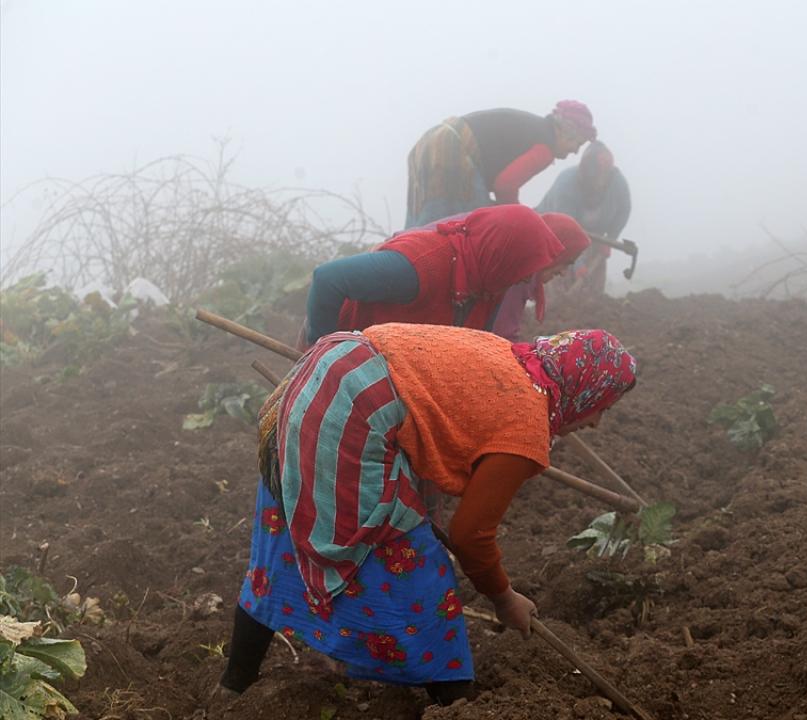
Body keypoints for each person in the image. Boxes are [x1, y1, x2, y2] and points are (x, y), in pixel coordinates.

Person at [218, 324, 637, 704]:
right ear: (586, 389)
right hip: (350, 414)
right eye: (604, 406)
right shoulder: (525, 427)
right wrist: (504, 598)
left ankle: (233, 684)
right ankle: (456, 704)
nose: (597, 422)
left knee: (286, 535)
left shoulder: (510, 355)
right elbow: (470, 535)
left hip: (327, 369)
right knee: (416, 569)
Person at [301, 206, 587, 347]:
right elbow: (329, 279)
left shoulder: (488, 286)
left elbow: (479, 346)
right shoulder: (420, 267)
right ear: (502, 256)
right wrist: (321, 356)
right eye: (522, 272)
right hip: (348, 360)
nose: (526, 282)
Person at [405, 101, 597, 229]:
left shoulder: (536, 129)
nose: (575, 152)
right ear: (566, 132)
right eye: (577, 144)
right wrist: (520, 218)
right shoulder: (545, 148)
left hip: (434, 141)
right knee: (468, 229)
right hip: (453, 151)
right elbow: (505, 185)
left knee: (423, 226)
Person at [536, 141, 631, 296]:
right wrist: (578, 264)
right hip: (554, 233)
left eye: (606, 175)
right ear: (588, 173)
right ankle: (551, 310)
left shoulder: (617, 181)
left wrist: (611, 239)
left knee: (591, 292)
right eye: (598, 177)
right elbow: (565, 233)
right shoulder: (566, 185)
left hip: (593, 234)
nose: (602, 182)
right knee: (557, 277)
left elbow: (624, 210)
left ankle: (589, 308)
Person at [490, 213, 591, 341]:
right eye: (566, 262)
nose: (563, 273)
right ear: (555, 252)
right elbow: (502, 337)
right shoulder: (522, 272)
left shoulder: (524, 257)